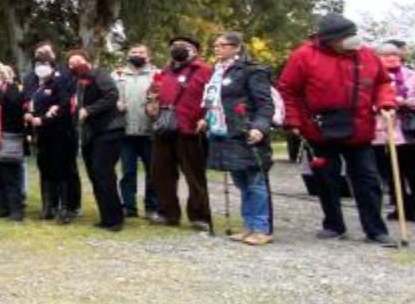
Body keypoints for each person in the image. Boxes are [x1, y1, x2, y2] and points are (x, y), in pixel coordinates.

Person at [278, 13, 399, 247]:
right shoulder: (304, 55)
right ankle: (333, 225)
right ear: (329, 40)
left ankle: (375, 230)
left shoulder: (366, 54)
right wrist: (293, 121)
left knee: (368, 180)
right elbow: (288, 89)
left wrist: (386, 103)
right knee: (326, 179)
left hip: (359, 128)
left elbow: (382, 82)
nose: (351, 40)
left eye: (352, 35)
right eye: (344, 37)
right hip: (320, 129)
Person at [204, 32, 274, 245]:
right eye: (215, 45)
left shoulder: (252, 70)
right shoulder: (215, 72)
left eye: (222, 45)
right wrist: (206, 119)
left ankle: (262, 228)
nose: (217, 49)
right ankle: (249, 226)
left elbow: (265, 103)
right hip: (226, 133)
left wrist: (260, 127)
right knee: (242, 183)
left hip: (247, 132)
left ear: (236, 48)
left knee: (255, 182)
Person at [149, 35, 213, 230]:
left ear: (194, 50)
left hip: (191, 129)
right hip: (164, 128)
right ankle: (168, 213)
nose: (178, 49)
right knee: (162, 174)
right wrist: (151, 106)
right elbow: (152, 95)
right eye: (174, 46)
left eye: (183, 46)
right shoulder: (164, 72)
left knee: (194, 176)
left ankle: (199, 216)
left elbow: (213, 98)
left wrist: (207, 118)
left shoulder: (205, 71)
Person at [371, 42, 415, 224]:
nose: (391, 58)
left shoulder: (413, 76)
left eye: (394, 54)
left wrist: (407, 101)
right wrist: (381, 105)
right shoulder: (372, 77)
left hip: (409, 132)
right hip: (383, 131)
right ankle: (401, 207)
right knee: (392, 173)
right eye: (386, 55)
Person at [69, 50, 125, 231]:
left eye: (78, 61)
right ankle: (107, 216)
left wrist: (88, 110)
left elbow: (111, 96)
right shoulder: (76, 83)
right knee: (95, 174)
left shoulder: (100, 74)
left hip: (108, 130)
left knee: (103, 172)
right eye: (71, 64)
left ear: (88, 61)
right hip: (90, 134)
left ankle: (114, 220)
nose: (74, 66)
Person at [25, 43, 81, 223]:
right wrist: (31, 115)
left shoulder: (63, 77)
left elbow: (66, 105)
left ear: (53, 57)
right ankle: (48, 206)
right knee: (45, 168)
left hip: (61, 132)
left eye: (46, 55)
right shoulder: (30, 79)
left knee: (63, 169)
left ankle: (66, 208)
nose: (42, 60)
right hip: (42, 134)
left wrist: (47, 118)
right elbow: (29, 101)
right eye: (38, 57)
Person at [115, 44, 159, 219]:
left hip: (150, 131)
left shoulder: (157, 74)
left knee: (153, 172)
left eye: (141, 52)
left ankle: (152, 207)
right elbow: (108, 96)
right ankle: (128, 206)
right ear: (127, 56)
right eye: (133, 52)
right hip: (125, 131)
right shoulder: (117, 74)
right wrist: (115, 104)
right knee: (128, 172)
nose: (137, 55)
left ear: (148, 56)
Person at [0, 62, 26, 221]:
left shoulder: (11, 88)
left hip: (8, 136)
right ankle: (1, 207)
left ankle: (16, 210)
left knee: (11, 175)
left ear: (4, 75)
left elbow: (15, 108)